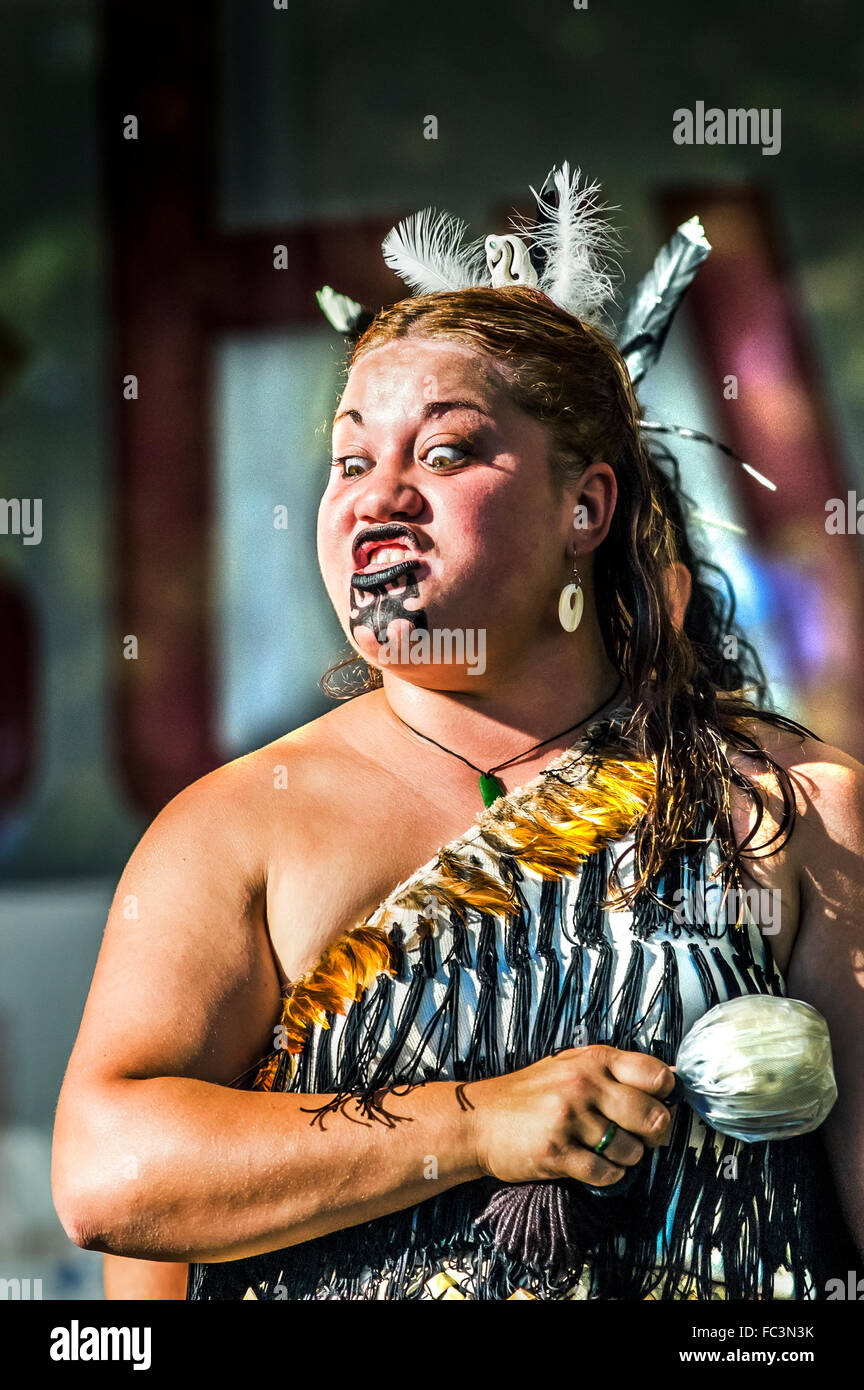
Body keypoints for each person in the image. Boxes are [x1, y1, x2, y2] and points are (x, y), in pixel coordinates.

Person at [53, 194, 864, 1300]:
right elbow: (110, 1176)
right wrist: (479, 1124)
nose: (378, 496)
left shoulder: (797, 811)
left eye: (443, 451)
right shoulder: (238, 828)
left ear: (586, 505)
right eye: (347, 463)